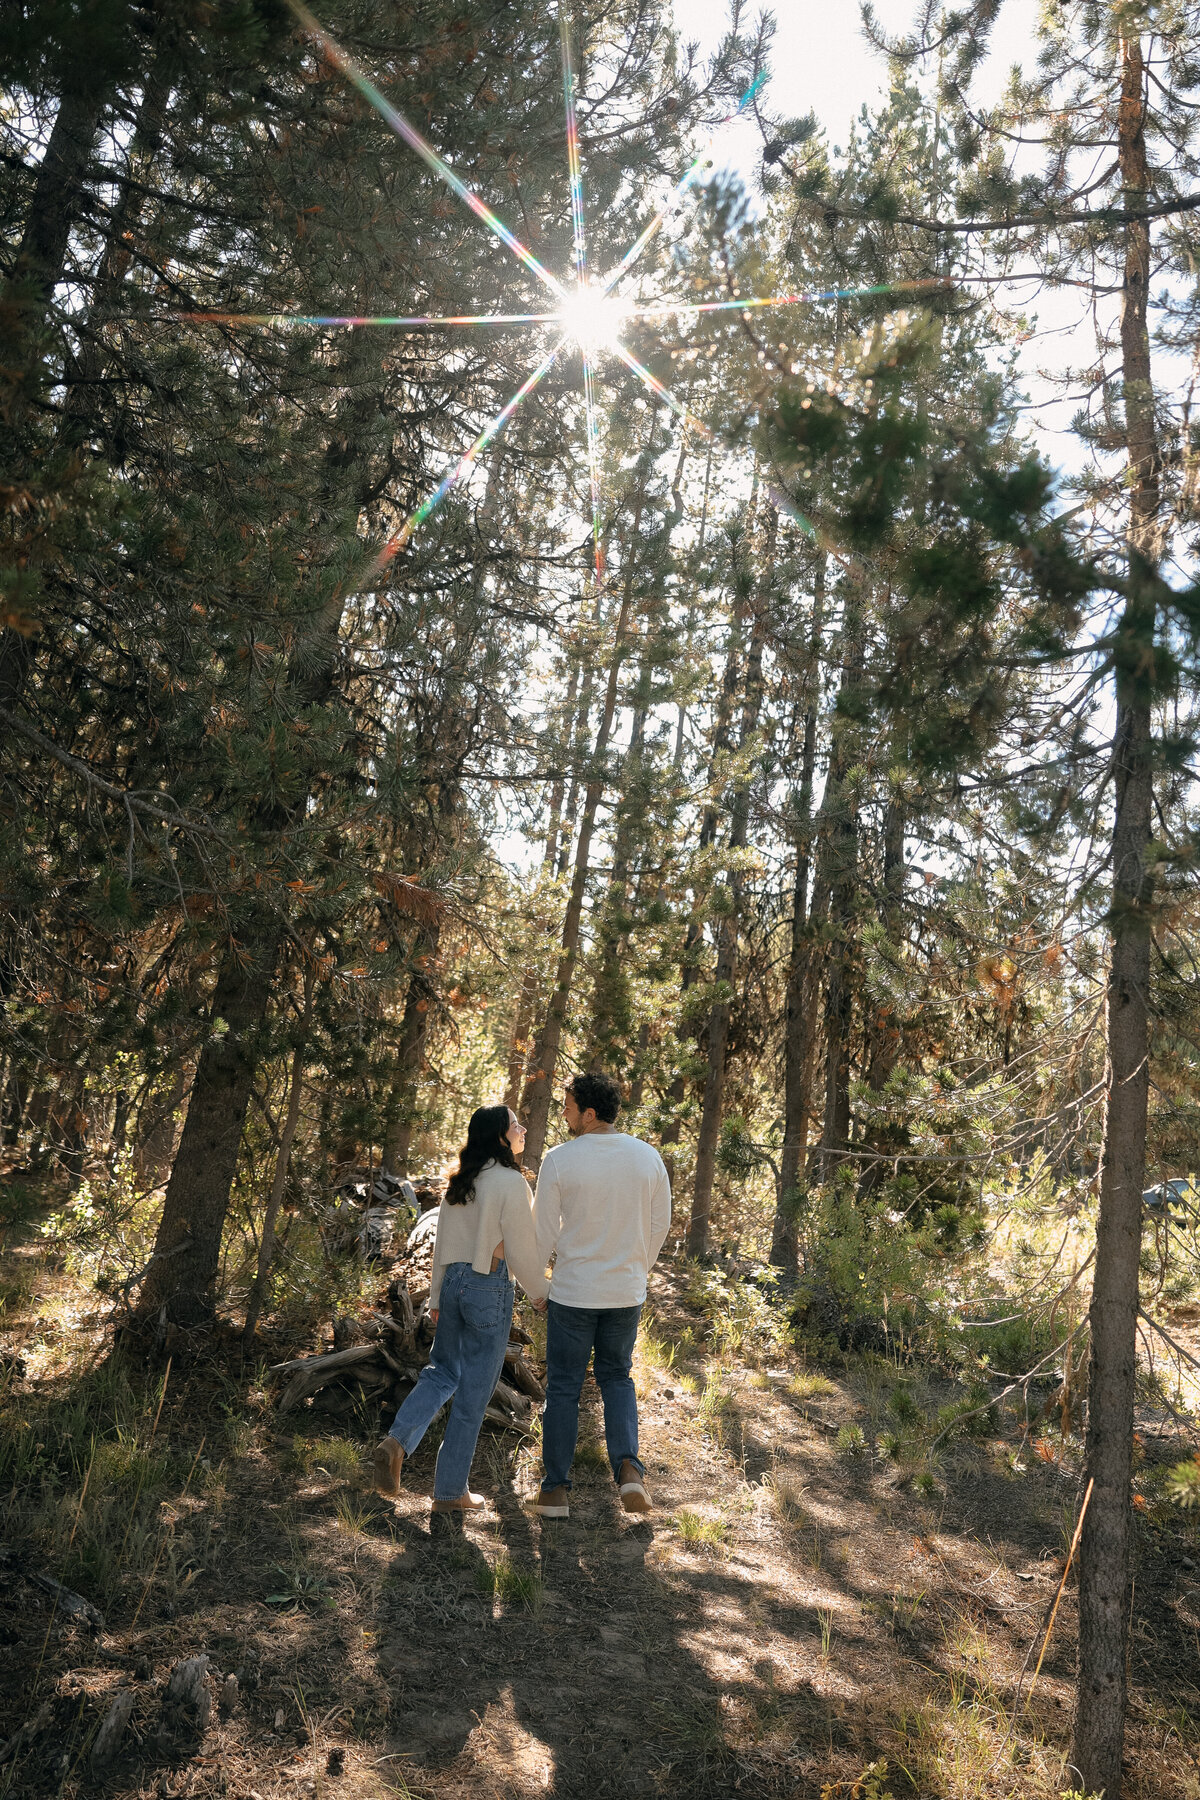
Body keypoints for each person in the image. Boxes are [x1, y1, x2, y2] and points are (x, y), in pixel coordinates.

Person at [373, 1105, 548, 1513]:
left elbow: (441, 1249)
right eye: (516, 1125)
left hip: (452, 1284)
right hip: (489, 1286)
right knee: (473, 1394)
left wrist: (435, 1299)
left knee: (442, 1372)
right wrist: (542, 1293)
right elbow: (522, 1251)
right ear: (501, 1137)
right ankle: (450, 1493)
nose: (522, 1129)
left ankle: (396, 1441)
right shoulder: (510, 1182)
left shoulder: (461, 1182)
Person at [531, 1072, 672, 1519]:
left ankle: (554, 1492)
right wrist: (634, 1270)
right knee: (617, 1379)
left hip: (572, 1293)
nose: (565, 1112)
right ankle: (629, 1470)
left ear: (590, 1113)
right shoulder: (647, 1157)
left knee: (565, 1388)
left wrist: (538, 1288)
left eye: (569, 1105)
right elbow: (659, 1225)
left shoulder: (559, 1160)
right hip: (624, 1293)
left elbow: (540, 1235)